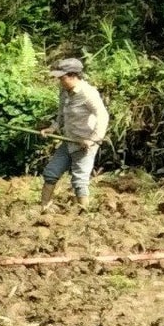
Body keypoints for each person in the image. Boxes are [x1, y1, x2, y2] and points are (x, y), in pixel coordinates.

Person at [41, 57, 109, 211]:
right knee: (51, 172)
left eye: (62, 78)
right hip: (68, 140)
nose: (60, 81)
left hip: (85, 144)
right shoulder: (64, 92)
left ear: (73, 75)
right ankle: (44, 207)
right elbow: (62, 115)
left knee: (79, 180)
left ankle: (83, 215)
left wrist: (93, 139)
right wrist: (53, 128)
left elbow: (103, 116)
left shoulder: (88, 93)